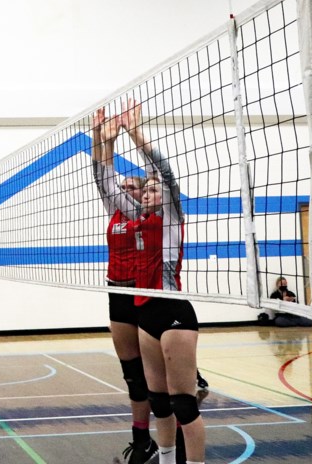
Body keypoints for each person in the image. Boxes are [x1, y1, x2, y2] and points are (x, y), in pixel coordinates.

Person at [100, 100, 205, 464]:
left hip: (172, 308)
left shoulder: (171, 217)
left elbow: (163, 171)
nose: (147, 194)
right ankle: (162, 455)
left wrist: (134, 133)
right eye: (145, 192)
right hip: (142, 310)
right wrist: (106, 144)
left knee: (182, 403)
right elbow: (106, 185)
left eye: (152, 190)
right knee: (158, 400)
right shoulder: (138, 218)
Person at [92, 108, 157, 464]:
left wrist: (132, 133)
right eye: (125, 186)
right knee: (132, 374)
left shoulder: (149, 215)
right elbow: (101, 176)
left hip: (144, 291)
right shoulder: (114, 210)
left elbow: (156, 173)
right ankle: (141, 439)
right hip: (116, 290)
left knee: (153, 374)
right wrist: (102, 138)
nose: (126, 189)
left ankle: (169, 434)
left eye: (134, 186)